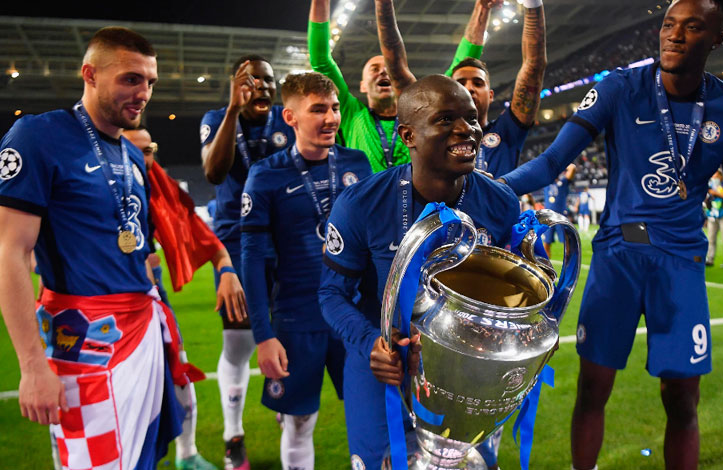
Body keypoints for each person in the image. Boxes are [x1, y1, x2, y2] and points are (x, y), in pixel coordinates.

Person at [499, 1, 723, 468]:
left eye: (692, 27)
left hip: (681, 263)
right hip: (618, 255)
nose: (673, 35)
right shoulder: (620, 88)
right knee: (593, 386)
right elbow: (552, 162)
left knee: (682, 399)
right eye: (669, 24)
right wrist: (488, 187)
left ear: (717, 39)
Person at [0, 26, 183, 469]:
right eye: (130, 79)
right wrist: (31, 365)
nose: (143, 93)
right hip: (82, 342)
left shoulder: (132, 155)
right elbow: (9, 253)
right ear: (90, 74)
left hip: (141, 330)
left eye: (150, 83)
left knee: (142, 458)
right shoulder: (37, 137)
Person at [318, 74, 521, 470]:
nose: (467, 129)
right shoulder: (361, 203)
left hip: (463, 372)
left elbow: (517, 294)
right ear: (408, 135)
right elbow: (331, 294)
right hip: (383, 367)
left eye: (471, 118)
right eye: (446, 120)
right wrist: (371, 343)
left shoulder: (499, 203)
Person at [240, 72, 372, 470]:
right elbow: (252, 259)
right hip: (298, 319)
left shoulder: (356, 163)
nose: (331, 117)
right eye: (319, 109)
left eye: (333, 108)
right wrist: (263, 336)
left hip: (355, 317)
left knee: (372, 415)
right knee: (299, 423)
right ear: (291, 116)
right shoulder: (266, 175)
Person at [125, 126, 249, 470]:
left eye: (148, 149)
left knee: (179, 370)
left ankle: (187, 454)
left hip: (152, 290)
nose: (143, 157)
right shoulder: (100, 189)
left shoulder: (160, 188)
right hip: (107, 299)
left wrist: (225, 269)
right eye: (133, 149)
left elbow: (204, 236)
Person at [200, 54, 295, 470]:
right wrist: (233, 112)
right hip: (237, 241)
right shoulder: (217, 118)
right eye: (251, 79)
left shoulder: (285, 119)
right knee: (239, 340)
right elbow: (214, 172)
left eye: (268, 80)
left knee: (286, 331)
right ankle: (232, 435)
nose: (261, 86)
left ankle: (288, 412)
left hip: (285, 241)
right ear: (235, 84)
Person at [308, 0, 492, 172]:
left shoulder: (422, 110)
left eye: (387, 67)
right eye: (374, 69)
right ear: (363, 86)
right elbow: (321, 60)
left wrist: (482, 9)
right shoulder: (350, 113)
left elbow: (461, 66)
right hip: (369, 204)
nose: (384, 72)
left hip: (417, 204)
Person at [374, 0, 547, 179]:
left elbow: (533, 67)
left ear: (491, 95)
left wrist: (532, 4)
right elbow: (396, 68)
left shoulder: (508, 129)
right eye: (461, 83)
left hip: (496, 207)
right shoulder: (436, 134)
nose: (469, 88)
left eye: (478, 83)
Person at [542, 163, 576, 256]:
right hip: (548, 217)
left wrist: (560, 165)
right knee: (546, 243)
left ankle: (569, 263)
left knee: (566, 242)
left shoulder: (563, 182)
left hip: (561, 216)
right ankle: (546, 267)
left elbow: (572, 167)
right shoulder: (547, 183)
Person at [704, 169, 723, 267]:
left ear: (720, 176)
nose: (714, 177)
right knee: (711, 238)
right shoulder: (709, 184)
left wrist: (715, 193)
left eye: (716, 175)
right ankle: (710, 259)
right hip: (712, 214)